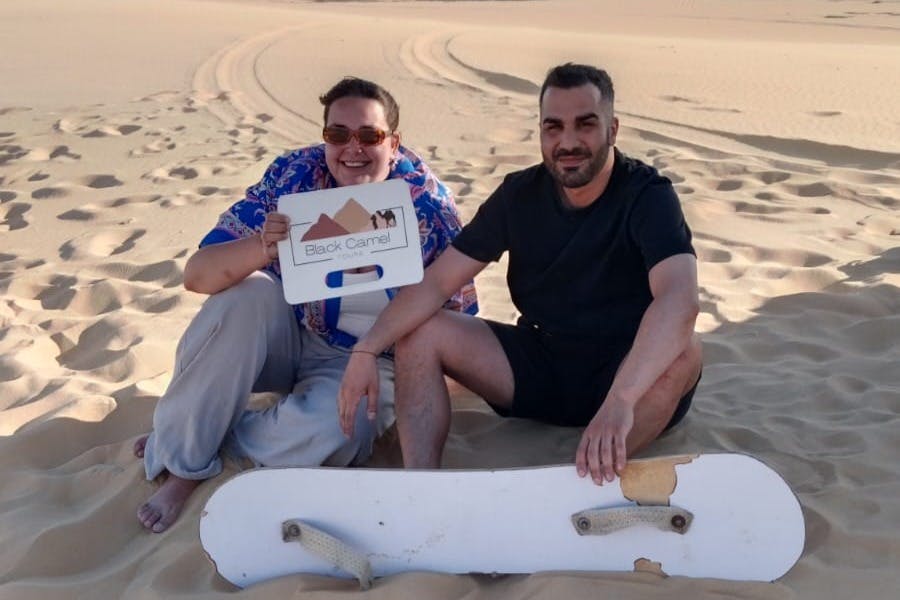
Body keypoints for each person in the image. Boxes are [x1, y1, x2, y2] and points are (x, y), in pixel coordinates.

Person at [135, 77, 477, 533]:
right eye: (337, 135)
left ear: (394, 143)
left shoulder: (428, 206)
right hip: (293, 335)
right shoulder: (295, 178)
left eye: (369, 136)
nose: (351, 148)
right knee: (246, 293)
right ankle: (182, 463)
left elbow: (455, 318)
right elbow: (198, 275)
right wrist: (263, 247)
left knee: (340, 431)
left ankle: (209, 431)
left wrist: (376, 359)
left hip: (374, 359)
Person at [339, 63, 702, 485]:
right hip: (544, 365)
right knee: (420, 331)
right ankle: (422, 487)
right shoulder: (519, 195)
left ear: (613, 129)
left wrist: (622, 398)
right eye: (553, 127)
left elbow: (680, 298)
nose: (567, 142)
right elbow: (438, 282)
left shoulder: (648, 196)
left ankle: (578, 483)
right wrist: (366, 350)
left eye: (585, 125)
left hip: (630, 379)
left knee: (686, 350)